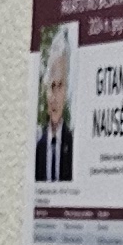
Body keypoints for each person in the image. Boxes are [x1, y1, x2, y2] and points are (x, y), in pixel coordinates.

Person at [33, 36, 75, 182]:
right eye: (52, 86)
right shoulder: (37, 146)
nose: (54, 97)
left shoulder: (74, 145)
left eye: (60, 86)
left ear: (66, 90)